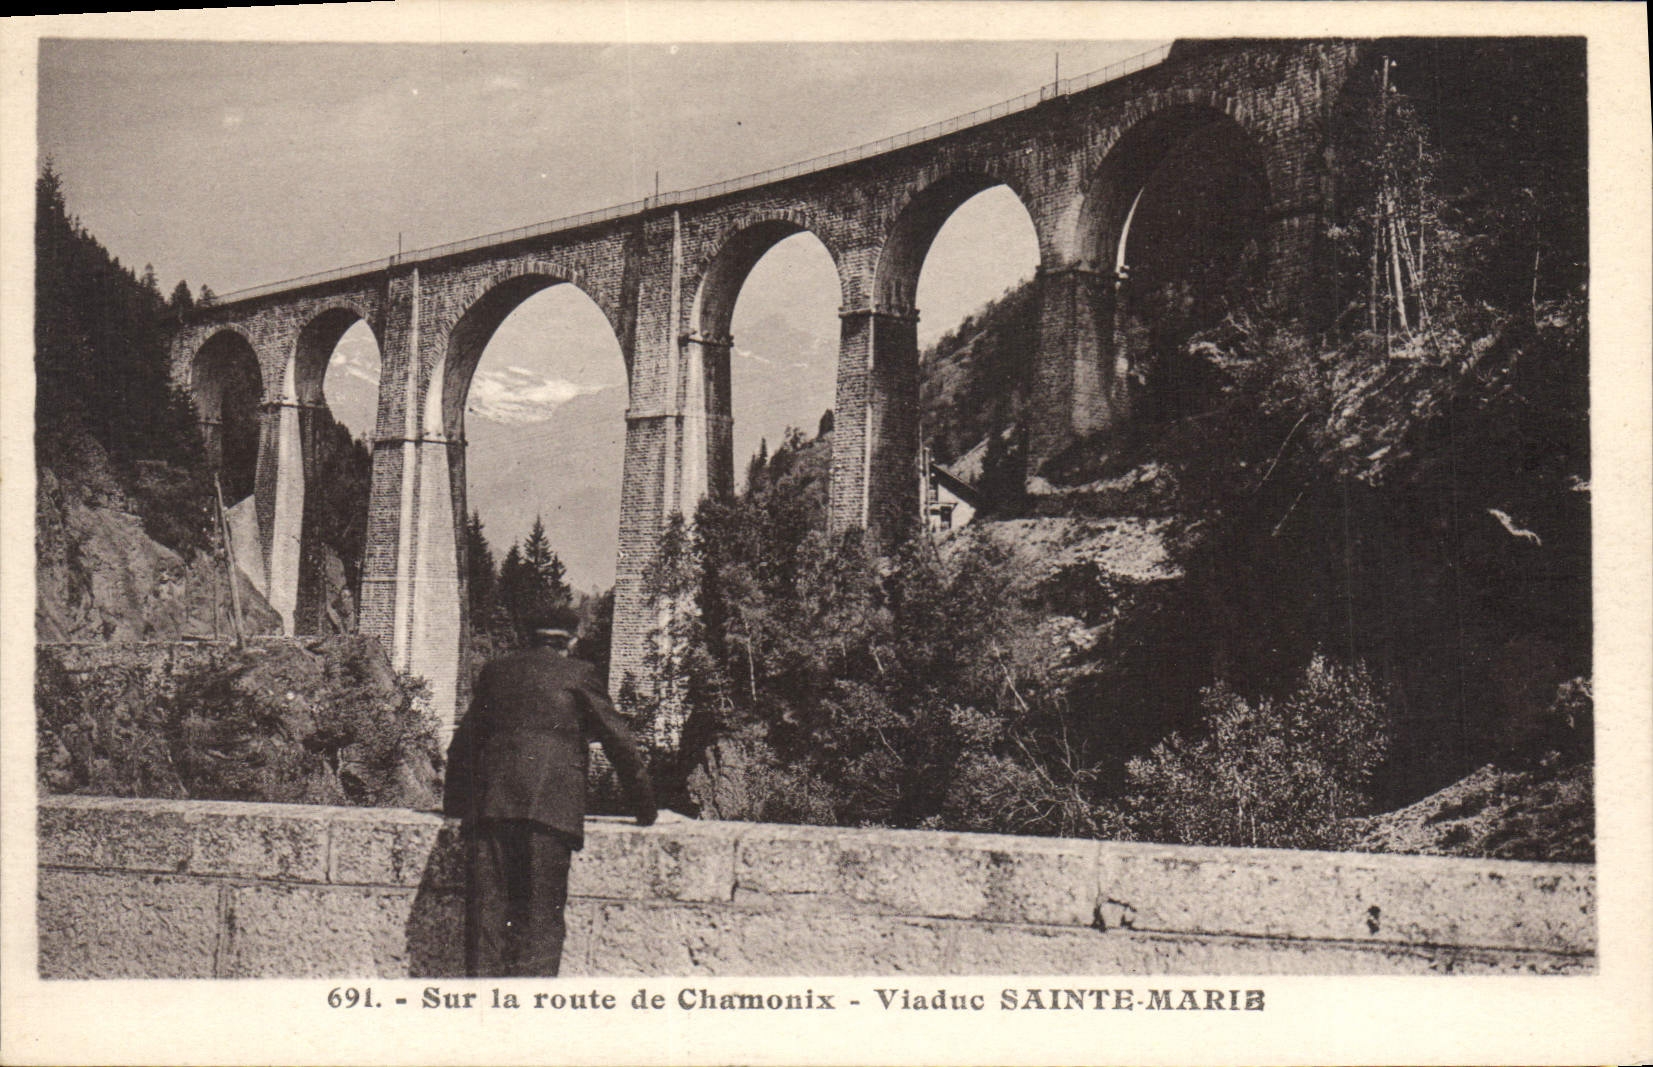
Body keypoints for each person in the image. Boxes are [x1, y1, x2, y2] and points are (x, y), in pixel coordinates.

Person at [443, 605, 656, 977]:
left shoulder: (497, 672)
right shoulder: (580, 673)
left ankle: (478, 1016)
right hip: (550, 812)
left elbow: (462, 744)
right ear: (572, 640)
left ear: (529, 636)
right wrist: (645, 808)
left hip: (491, 809)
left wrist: (456, 806)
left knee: (485, 919)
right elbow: (618, 742)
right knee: (541, 921)